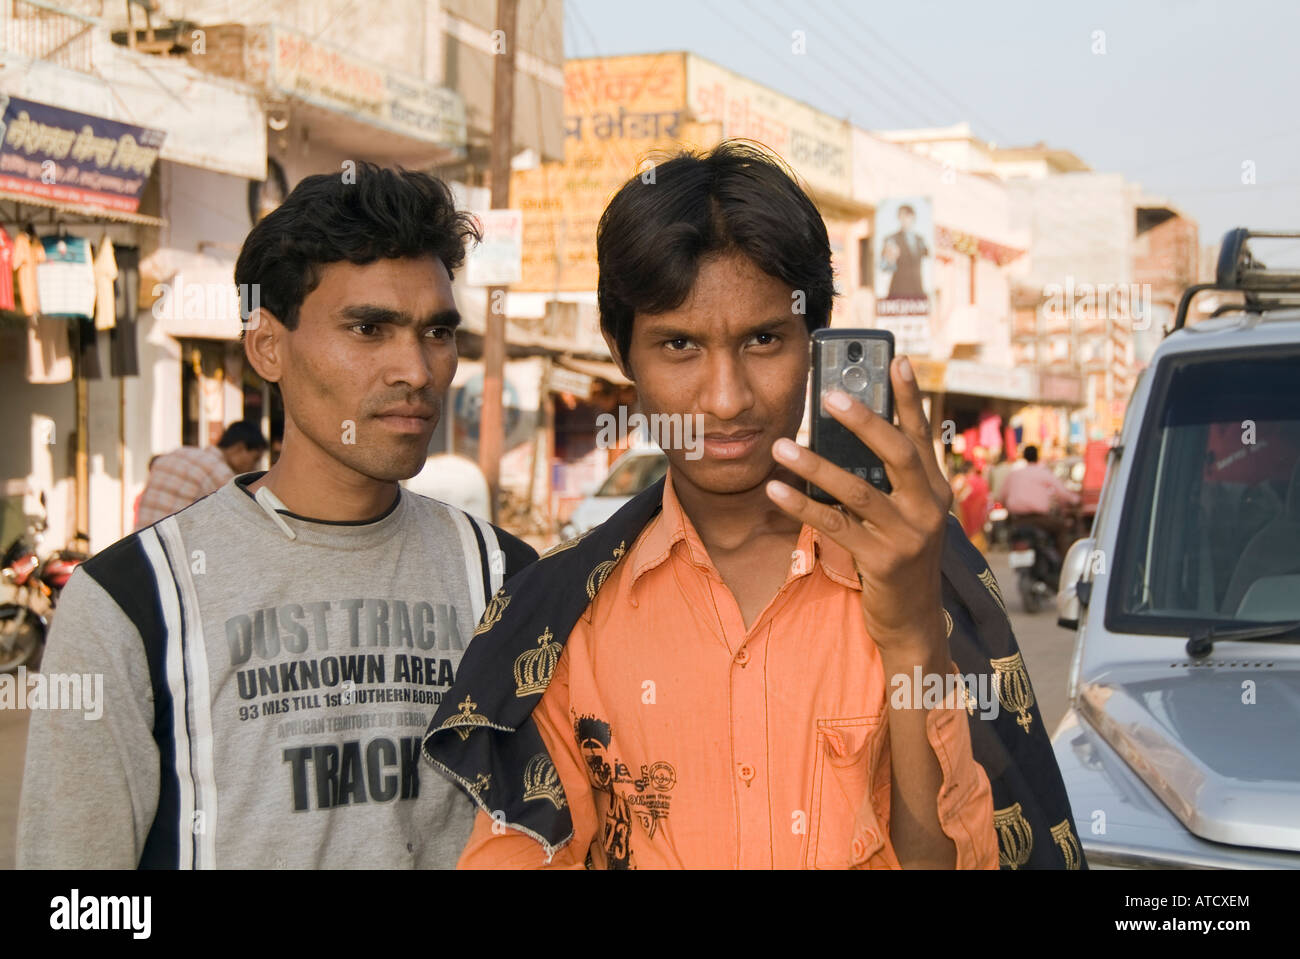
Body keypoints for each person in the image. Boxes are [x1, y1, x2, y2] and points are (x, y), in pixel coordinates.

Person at [425, 142, 1083, 870]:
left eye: (763, 339)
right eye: (679, 344)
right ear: (622, 353)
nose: (728, 397)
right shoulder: (559, 613)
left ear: (815, 341)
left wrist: (909, 636)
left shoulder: (914, 564)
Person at [18, 163, 537, 869]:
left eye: (436, 332)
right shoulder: (132, 604)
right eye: (369, 328)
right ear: (267, 345)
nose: (415, 369)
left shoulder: (506, 581)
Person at [133, 421, 268, 530]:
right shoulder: (221, 474)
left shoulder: (177, 453)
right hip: (169, 553)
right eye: (255, 459)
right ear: (239, 448)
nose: (254, 467)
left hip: (140, 541)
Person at [1000, 445, 1080, 558]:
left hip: (1017, 520)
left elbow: (1002, 496)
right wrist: (1075, 500)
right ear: (1037, 456)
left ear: (1024, 457)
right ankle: (1064, 565)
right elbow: (1062, 492)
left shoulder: (1014, 474)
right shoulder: (1043, 472)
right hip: (1039, 519)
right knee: (1061, 529)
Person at [880, 203, 928, 300]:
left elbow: (928, 261)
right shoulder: (892, 239)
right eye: (901, 217)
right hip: (898, 292)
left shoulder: (920, 240)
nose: (904, 220)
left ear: (913, 217)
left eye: (907, 216)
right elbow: (884, 267)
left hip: (917, 292)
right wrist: (890, 258)